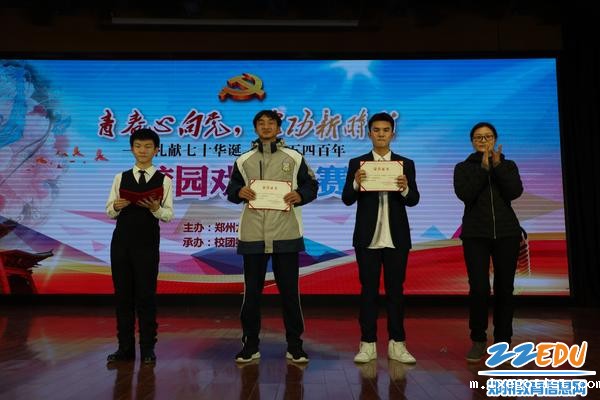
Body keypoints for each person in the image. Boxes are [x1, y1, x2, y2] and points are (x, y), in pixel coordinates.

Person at [226, 110, 318, 364]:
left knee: (289, 294)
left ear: (279, 128)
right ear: (255, 128)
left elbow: (311, 185)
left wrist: (300, 195)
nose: (266, 127)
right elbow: (231, 189)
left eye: (271, 123)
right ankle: (250, 345)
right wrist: (239, 192)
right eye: (261, 123)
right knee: (252, 295)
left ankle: (295, 346)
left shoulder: (294, 157)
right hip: (253, 235)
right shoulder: (243, 160)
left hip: (286, 233)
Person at [342, 112, 420, 364]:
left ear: (392, 134)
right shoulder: (358, 163)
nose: (381, 134)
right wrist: (356, 183)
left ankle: (398, 344)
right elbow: (347, 199)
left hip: (396, 238)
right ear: (369, 133)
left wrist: (405, 188)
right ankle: (368, 344)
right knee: (368, 292)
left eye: (386, 130)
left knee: (396, 292)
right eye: (376, 130)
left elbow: (414, 200)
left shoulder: (405, 164)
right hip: (368, 238)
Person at [453, 122, 523, 362]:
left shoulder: (508, 165)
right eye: (479, 137)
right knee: (479, 288)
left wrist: (497, 166)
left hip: (507, 233)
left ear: (495, 139)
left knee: (505, 288)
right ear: (472, 141)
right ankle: (478, 339)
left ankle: (503, 341)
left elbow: (514, 192)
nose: (484, 141)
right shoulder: (463, 167)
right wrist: (483, 169)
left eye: (488, 136)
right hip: (475, 235)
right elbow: (465, 195)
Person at [105, 128, 174, 365]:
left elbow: (168, 215)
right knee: (123, 297)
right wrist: (116, 206)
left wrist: (156, 208)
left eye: (147, 146)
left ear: (156, 150)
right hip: (121, 243)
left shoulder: (164, 180)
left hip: (147, 244)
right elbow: (109, 210)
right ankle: (124, 348)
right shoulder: (120, 178)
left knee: (146, 296)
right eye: (138, 146)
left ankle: (147, 349)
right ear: (132, 149)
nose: (142, 150)